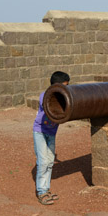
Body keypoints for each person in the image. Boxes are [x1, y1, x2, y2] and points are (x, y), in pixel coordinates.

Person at [33, 71, 70, 205]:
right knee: (43, 162)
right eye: (64, 86)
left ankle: (46, 189)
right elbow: (49, 107)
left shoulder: (63, 97)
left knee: (49, 161)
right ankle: (41, 191)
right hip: (40, 132)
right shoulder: (46, 96)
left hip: (51, 133)